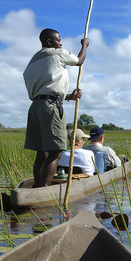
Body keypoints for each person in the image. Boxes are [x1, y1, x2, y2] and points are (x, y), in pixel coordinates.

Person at [24, 28, 89, 187]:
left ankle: (37, 187)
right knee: (55, 151)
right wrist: (85, 45)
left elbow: (45, 87)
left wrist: (68, 97)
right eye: (58, 40)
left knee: (42, 152)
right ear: (49, 42)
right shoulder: (57, 53)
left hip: (36, 107)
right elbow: (79, 60)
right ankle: (43, 190)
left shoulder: (33, 62)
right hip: (51, 107)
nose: (61, 43)